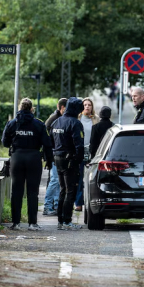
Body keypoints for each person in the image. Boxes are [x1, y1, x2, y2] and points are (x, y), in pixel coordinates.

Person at [2, 98, 53, 231]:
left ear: (19, 108)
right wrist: (49, 160)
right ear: (32, 109)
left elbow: (4, 142)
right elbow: (47, 144)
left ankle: (16, 223)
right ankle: (32, 223)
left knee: (16, 191)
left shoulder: (12, 123)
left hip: (17, 158)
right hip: (34, 159)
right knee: (32, 192)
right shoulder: (39, 124)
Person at [50, 97, 85, 230]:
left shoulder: (57, 121)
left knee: (63, 190)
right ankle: (67, 221)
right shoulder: (75, 123)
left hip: (58, 158)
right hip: (70, 160)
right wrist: (78, 159)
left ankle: (60, 220)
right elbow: (79, 145)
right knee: (71, 190)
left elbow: (51, 140)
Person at [42, 98, 67, 216]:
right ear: (62, 108)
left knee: (57, 180)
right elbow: (47, 137)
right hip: (54, 153)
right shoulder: (54, 119)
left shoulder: (55, 118)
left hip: (54, 152)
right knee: (55, 180)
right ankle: (47, 206)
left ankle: (56, 205)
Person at [74, 98, 98, 212]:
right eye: (85, 105)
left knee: (91, 178)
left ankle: (90, 202)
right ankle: (78, 203)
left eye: (89, 105)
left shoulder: (96, 119)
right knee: (79, 178)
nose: (87, 107)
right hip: (79, 151)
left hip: (92, 152)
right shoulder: (77, 118)